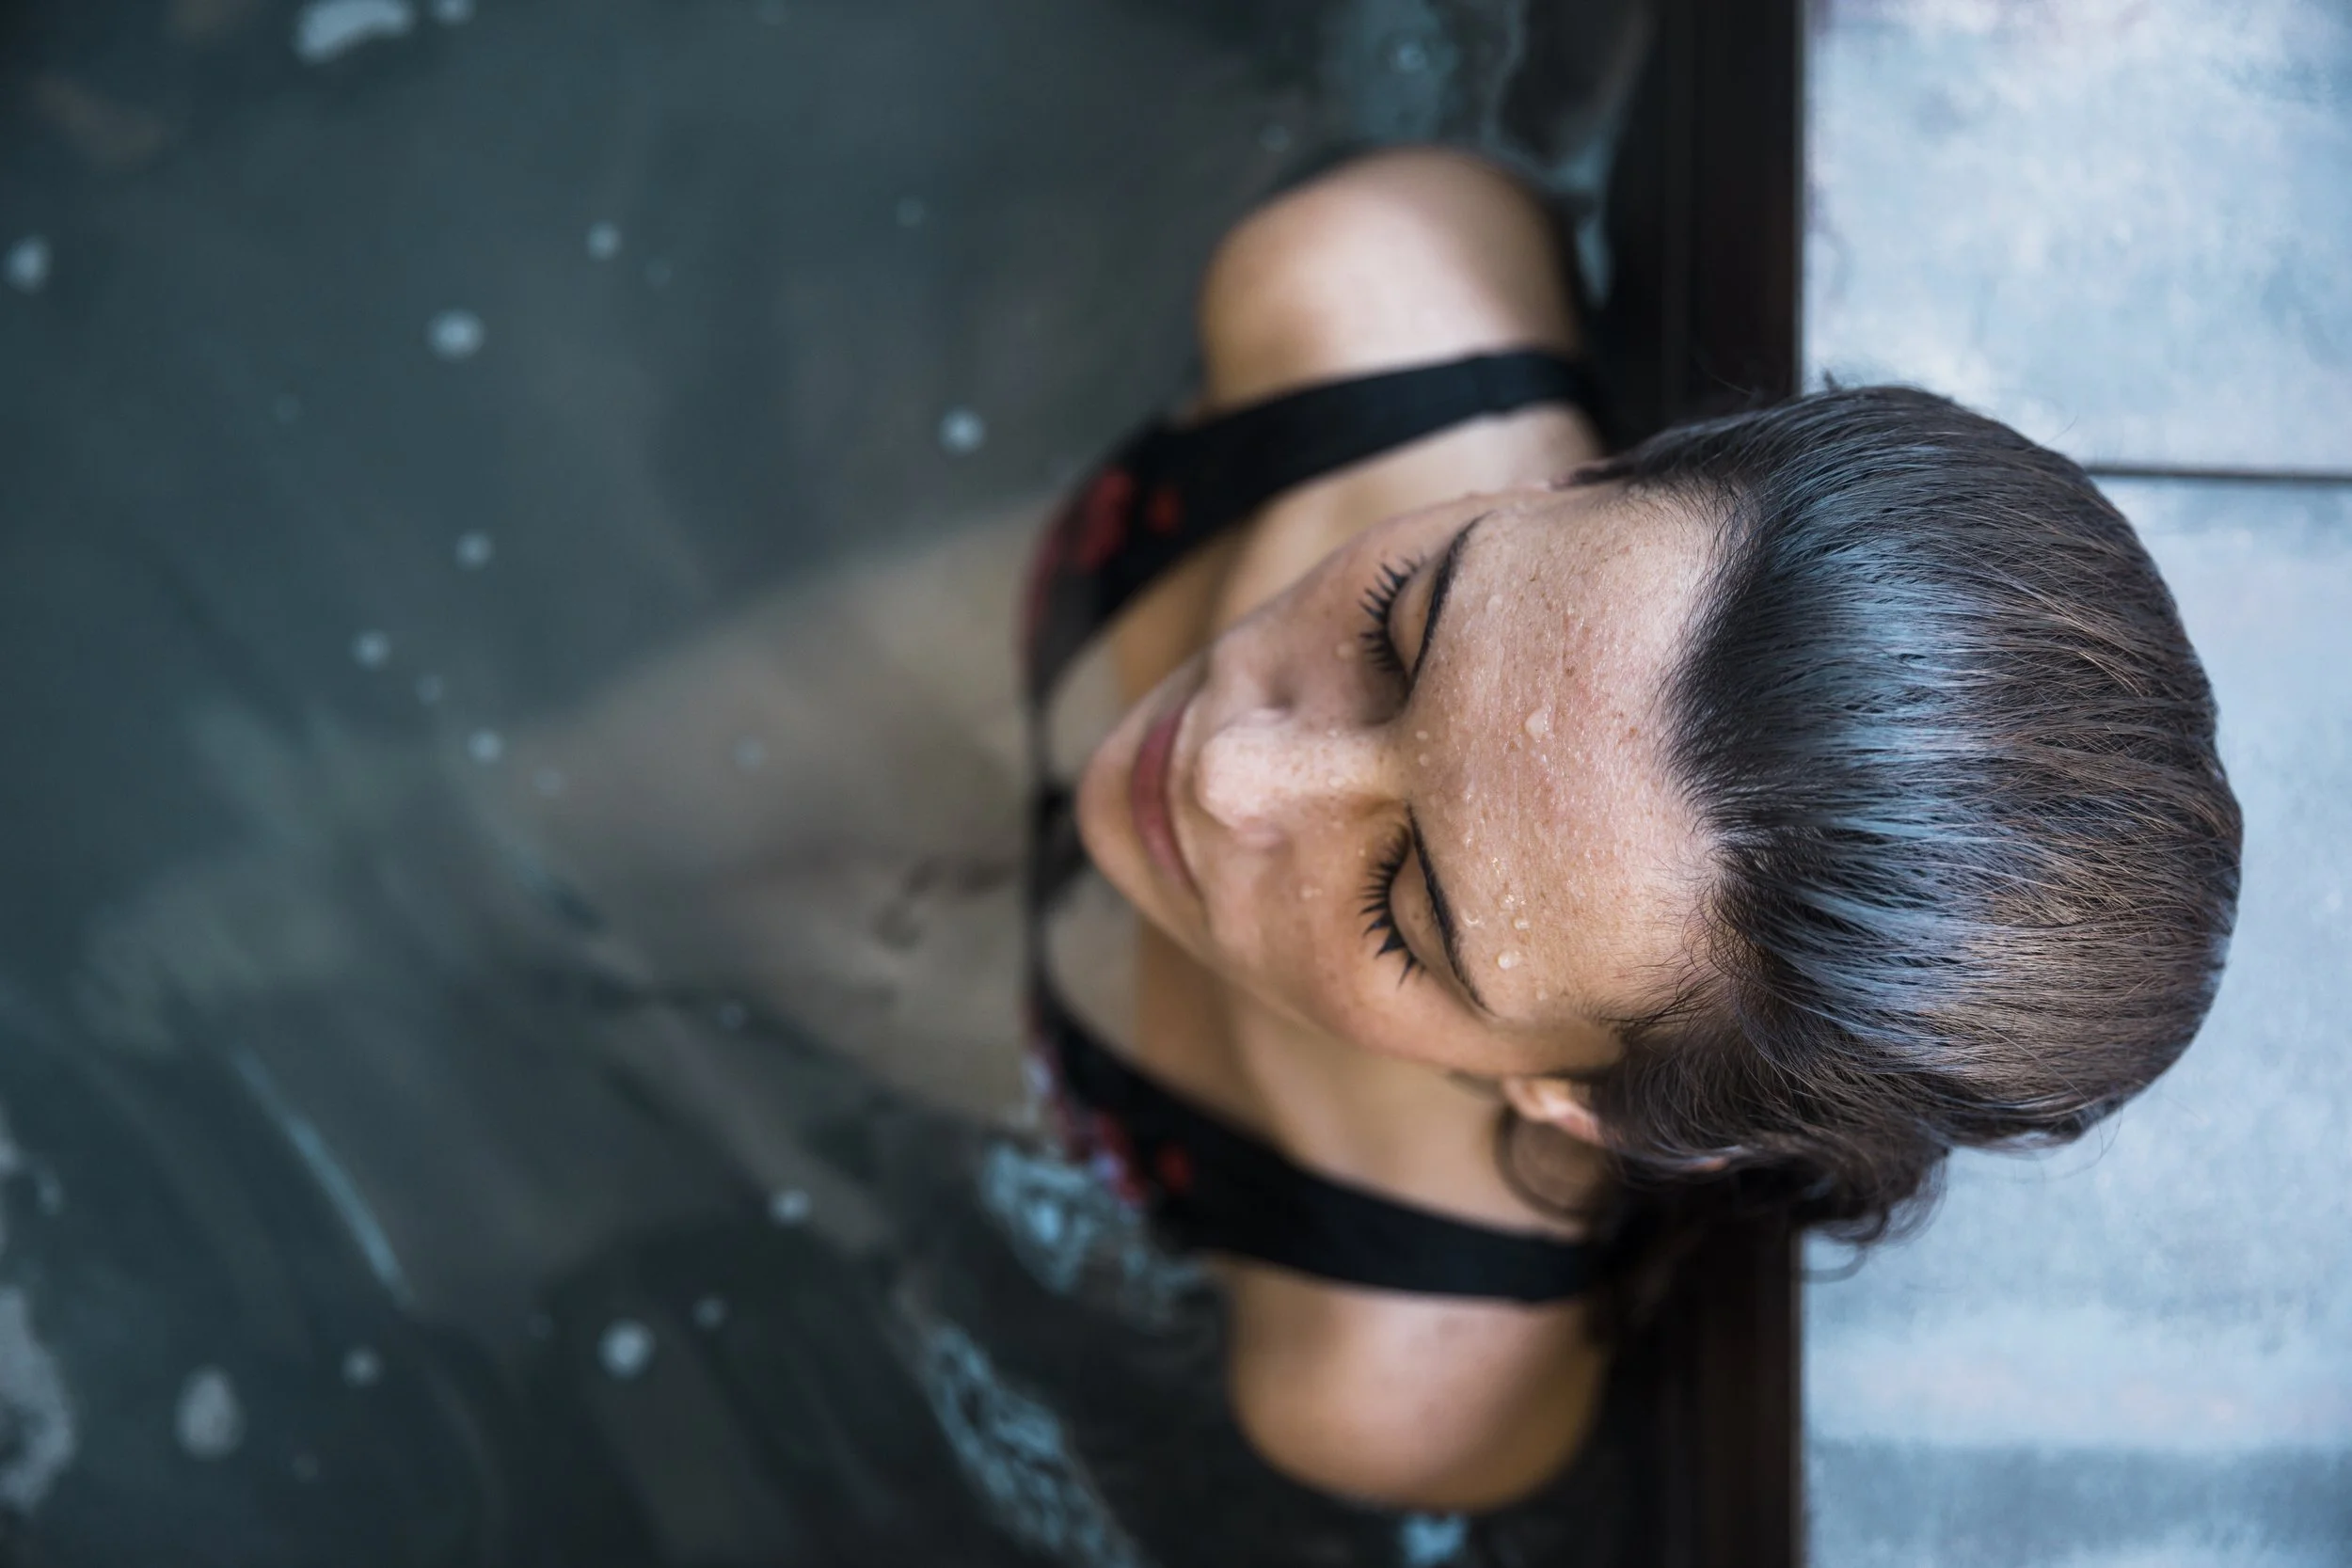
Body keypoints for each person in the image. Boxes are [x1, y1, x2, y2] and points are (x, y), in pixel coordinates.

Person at [1016, 146, 2242, 1510]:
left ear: (1583, 1104)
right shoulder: (1361, 290)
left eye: (1401, 909)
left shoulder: (1392, 1372)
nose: (1231, 772)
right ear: (1590, 481)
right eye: (1401, 625)